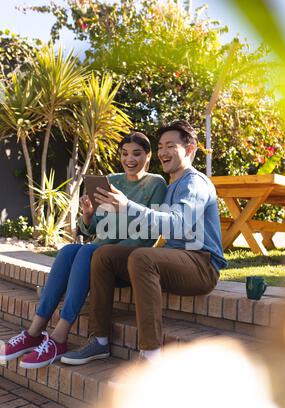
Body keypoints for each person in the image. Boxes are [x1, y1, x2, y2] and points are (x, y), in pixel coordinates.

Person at [61, 120, 227, 365]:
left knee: (142, 257)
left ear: (190, 149)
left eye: (171, 145)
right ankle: (99, 341)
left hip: (202, 264)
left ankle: (150, 355)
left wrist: (128, 206)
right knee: (104, 254)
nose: (163, 152)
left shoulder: (194, 183)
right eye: (161, 146)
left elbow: (178, 224)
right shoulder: (171, 185)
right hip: (176, 260)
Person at [0, 132, 167, 368]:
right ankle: (34, 332)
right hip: (96, 255)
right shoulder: (113, 180)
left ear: (148, 157)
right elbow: (93, 230)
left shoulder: (156, 183)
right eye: (125, 153)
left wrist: (105, 248)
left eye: (137, 154)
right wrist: (88, 217)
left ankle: (59, 337)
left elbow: (150, 234)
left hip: (124, 261)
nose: (130, 159)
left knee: (88, 252)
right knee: (69, 250)